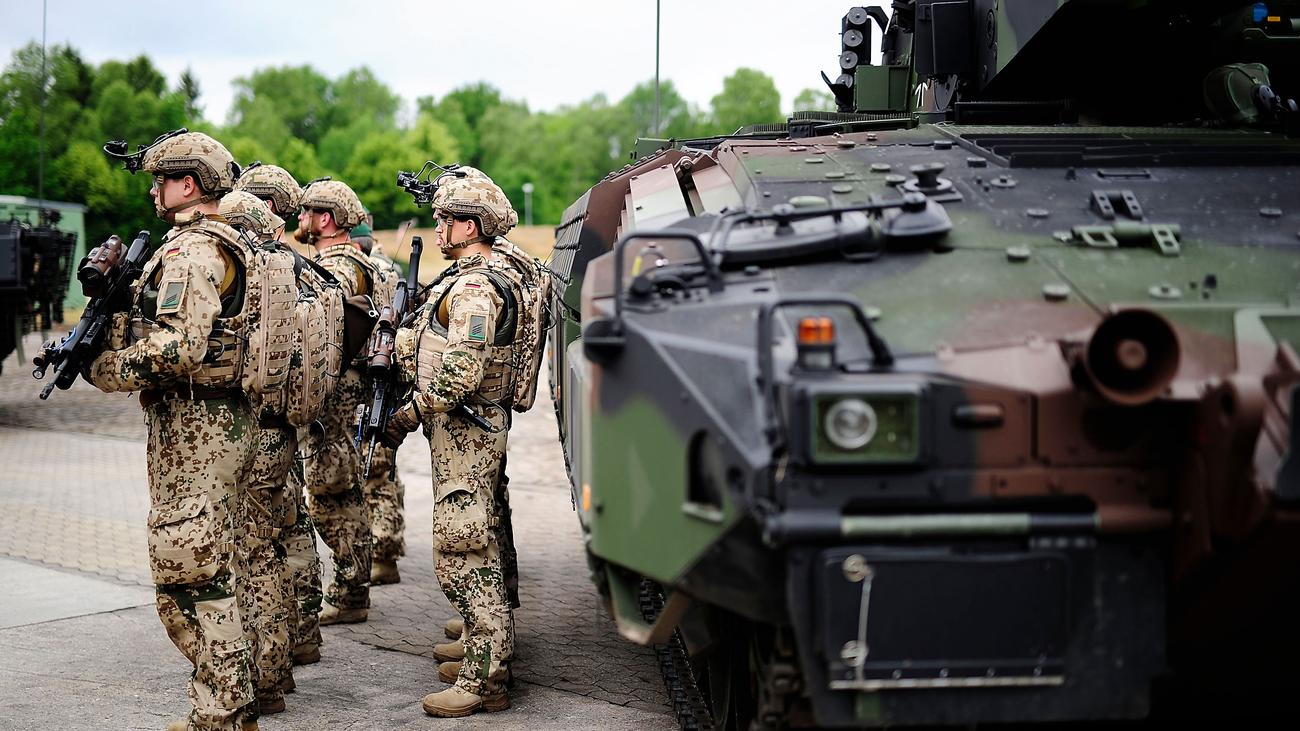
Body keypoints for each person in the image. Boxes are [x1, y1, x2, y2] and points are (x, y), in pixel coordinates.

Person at [87, 130, 260, 731]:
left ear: (189, 184)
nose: (154, 191)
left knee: (189, 574)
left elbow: (181, 346)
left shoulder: (192, 252)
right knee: (211, 565)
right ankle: (230, 701)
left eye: (161, 180)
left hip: (197, 428)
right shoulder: (227, 242)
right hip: (215, 421)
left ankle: (223, 709)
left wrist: (111, 369)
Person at [384, 171, 540, 717]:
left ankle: (485, 679)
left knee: (464, 551)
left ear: (470, 226)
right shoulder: (473, 277)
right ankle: (484, 651)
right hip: (464, 430)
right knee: (477, 542)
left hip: (467, 431)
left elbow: (460, 374)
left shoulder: (475, 288)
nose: (439, 228)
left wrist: (409, 413)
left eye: (447, 219)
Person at [234, 163, 326, 665]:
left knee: (257, 541)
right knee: (292, 522)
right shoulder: (300, 267)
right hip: (290, 418)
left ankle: (270, 657)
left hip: (259, 423)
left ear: (264, 206)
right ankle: (304, 630)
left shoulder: (259, 271)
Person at [297, 178, 385, 624]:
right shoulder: (355, 262)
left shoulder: (338, 268)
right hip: (342, 390)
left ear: (326, 219)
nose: (300, 218)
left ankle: (351, 591)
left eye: (307, 211)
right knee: (338, 487)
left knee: (331, 491)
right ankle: (353, 588)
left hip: (335, 394)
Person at [351, 218, 408, 584]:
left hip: (374, 380)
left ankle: (384, 554)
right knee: (383, 472)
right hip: (382, 377)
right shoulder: (389, 269)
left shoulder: (364, 271)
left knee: (376, 472)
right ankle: (385, 547)